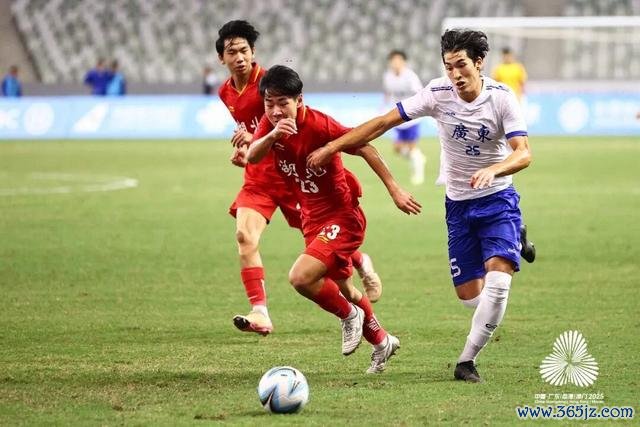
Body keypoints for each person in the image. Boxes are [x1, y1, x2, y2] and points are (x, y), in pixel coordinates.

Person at [307, 29, 536, 382]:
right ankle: (516, 240)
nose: (455, 74)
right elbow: (383, 123)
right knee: (470, 298)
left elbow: (523, 153)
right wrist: (332, 146)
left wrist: (494, 169)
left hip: (498, 199)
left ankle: (466, 361)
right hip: (458, 205)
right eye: (449, 66)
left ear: (479, 63)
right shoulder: (437, 93)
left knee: (498, 284)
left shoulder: (502, 98)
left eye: (461, 65)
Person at [246, 65, 421, 372]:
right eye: (269, 103)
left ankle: (349, 315)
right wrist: (273, 135)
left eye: (283, 103)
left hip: (342, 216)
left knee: (301, 277)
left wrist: (394, 189)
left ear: (299, 100)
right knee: (346, 290)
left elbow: (365, 148)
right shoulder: (270, 123)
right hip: (311, 218)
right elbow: (252, 156)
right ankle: (382, 342)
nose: (275, 110)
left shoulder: (319, 125)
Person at [215, 20, 383, 338]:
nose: (239, 57)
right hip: (259, 178)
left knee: (322, 242)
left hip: (292, 177)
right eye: (231, 52)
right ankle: (260, 312)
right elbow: (254, 132)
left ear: (253, 52)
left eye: (244, 50)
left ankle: (360, 261)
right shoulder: (226, 92)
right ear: (221, 58)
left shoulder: (271, 84)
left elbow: (300, 123)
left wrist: (260, 139)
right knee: (244, 237)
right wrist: (247, 149)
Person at [383, 50, 426, 185]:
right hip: (398, 115)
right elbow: (388, 93)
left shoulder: (410, 76)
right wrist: (383, 107)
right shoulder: (388, 76)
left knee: (412, 147)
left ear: (403, 62)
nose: (395, 63)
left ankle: (418, 174)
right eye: (393, 60)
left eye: (398, 60)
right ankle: (418, 158)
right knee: (397, 148)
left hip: (412, 116)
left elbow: (420, 93)